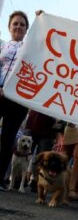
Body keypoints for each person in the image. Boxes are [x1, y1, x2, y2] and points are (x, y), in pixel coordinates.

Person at [0, 11, 30, 190]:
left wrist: (41, 19)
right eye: (15, 23)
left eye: (22, 24)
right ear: (9, 27)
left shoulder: (30, 47)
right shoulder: (2, 46)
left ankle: (0, 177)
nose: (18, 26)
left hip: (17, 100)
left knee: (8, 138)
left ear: (27, 29)